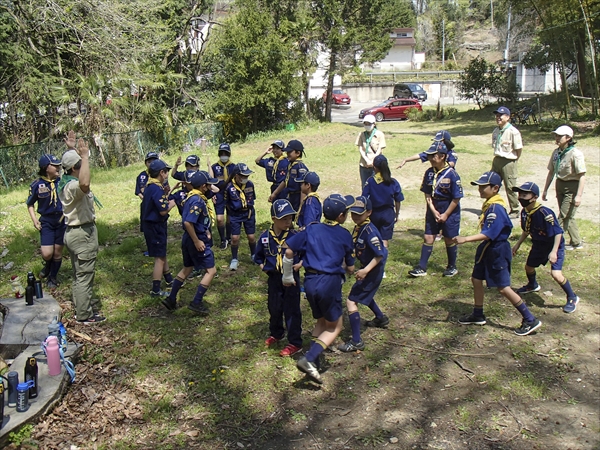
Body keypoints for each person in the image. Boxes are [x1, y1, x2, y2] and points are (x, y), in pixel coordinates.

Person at [453, 171, 542, 336]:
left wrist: (465, 239)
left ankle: (530, 318)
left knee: (503, 288)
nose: (480, 189)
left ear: (495, 188)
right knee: (476, 278)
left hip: (497, 250)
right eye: (479, 186)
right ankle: (478, 314)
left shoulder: (496, 208)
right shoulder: (489, 204)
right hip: (487, 248)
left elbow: (490, 233)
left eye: (483, 186)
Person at [283, 194, 355, 384]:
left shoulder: (311, 229)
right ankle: (309, 359)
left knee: (322, 321)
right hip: (329, 282)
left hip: (310, 282)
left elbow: (288, 249)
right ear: (341, 216)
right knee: (336, 326)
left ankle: (315, 358)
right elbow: (351, 266)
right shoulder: (344, 234)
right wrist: (350, 269)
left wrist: (288, 274)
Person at [57, 131, 105, 324]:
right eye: (81, 165)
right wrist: (84, 157)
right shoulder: (73, 186)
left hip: (73, 233)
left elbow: (67, 166)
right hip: (82, 233)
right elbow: (85, 183)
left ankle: (80, 309)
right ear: (75, 168)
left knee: (79, 274)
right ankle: (85, 315)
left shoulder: (65, 179)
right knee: (85, 275)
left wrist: (71, 149)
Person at [511, 182, 580, 313]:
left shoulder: (544, 213)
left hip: (553, 244)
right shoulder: (525, 212)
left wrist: (554, 252)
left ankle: (572, 297)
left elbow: (558, 232)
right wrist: (517, 245)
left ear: (534, 197)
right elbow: (526, 230)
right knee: (529, 267)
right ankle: (532, 285)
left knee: (556, 274)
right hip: (539, 245)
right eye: (520, 194)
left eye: (525, 195)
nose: (521, 197)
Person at [161, 171, 218, 315]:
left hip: (188, 238)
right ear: (203, 186)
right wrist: (197, 240)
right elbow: (188, 222)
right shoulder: (197, 201)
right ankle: (196, 302)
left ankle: (171, 298)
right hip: (195, 240)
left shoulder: (191, 196)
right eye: (209, 184)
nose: (210, 187)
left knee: (187, 268)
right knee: (211, 271)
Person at [338, 196, 389, 353]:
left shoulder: (370, 232)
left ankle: (356, 341)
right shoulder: (359, 228)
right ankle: (381, 318)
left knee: (351, 301)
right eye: (353, 213)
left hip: (372, 272)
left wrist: (365, 270)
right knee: (364, 295)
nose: (355, 217)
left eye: (359, 214)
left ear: (369, 213)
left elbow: (380, 255)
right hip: (367, 270)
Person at [253, 199, 303, 357]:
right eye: (284, 219)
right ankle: (277, 333)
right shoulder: (265, 237)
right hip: (274, 278)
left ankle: (295, 342)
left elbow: (306, 253)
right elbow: (258, 256)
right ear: (274, 219)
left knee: (292, 309)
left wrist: (300, 264)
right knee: (274, 307)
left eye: (290, 218)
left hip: (291, 278)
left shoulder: (295, 236)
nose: (288, 222)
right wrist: (263, 267)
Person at [409, 142, 462, 278]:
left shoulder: (452, 175)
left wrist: (445, 214)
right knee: (428, 236)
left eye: (434, 156)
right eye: (430, 156)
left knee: (449, 238)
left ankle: (452, 266)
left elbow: (456, 198)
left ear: (443, 156)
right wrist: (433, 210)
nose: (431, 158)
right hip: (433, 207)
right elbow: (427, 193)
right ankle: (421, 267)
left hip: (449, 208)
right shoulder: (429, 173)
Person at [542, 125, 586, 250]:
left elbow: (582, 175)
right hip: (559, 184)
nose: (557, 138)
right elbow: (551, 172)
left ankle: (554, 241)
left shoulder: (575, 154)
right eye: (556, 135)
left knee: (563, 215)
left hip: (572, 186)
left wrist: (578, 196)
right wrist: (545, 190)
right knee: (568, 215)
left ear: (568, 138)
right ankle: (576, 242)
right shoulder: (556, 153)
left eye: (559, 136)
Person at [27, 154, 65, 289]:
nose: (58, 167)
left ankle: (53, 277)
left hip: (61, 220)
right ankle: (48, 265)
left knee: (57, 252)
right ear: (45, 168)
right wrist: (34, 220)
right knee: (47, 253)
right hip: (47, 221)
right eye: (54, 165)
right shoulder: (37, 185)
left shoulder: (62, 181)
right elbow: (30, 204)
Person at [141, 159, 177, 297]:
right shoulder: (155, 188)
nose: (167, 174)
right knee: (159, 258)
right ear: (162, 173)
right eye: (166, 171)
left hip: (153, 225)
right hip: (155, 226)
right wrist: (173, 202)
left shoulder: (152, 186)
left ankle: (169, 279)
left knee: (161, 253)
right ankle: (155, 289)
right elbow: (163, 210)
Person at [362, 154, 403, 249]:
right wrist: (396, 214)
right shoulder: (393, 182)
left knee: (374, 237)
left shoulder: (370, 181)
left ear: (374, 168)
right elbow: (398, 200)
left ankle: (374, 257)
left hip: (374, 213)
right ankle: (383, 258)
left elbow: (364, 198)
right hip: (388, 213)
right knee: (384, 239)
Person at [491, 106, 522, 217]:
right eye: (497, 115)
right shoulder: (496, 131)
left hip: (508, 161)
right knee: (492, 183)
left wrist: (513, 160)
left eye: (501, 115)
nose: (498, 117)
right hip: (497, 160)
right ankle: (492, 206)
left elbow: (518, 149)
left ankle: (515, 210)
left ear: (508, 117)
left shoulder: (513, 132)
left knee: (510, 186)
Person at [224, 163, 256, 271]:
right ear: (236, 175)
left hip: (248, 213)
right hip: (235, 214)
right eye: (243, 176)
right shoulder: (229, 187)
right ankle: (234, 259)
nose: (245, 178)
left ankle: (254, 255)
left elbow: (253, 198)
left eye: (247, 176)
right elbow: (226, 202)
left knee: (251, 237)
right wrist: (232, 212)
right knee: (235, 238)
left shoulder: (250, 185)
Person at [270, 140, 308, 211]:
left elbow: (303, 187)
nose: (287, 154)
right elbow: (285, 181)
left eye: (290, 152)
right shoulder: (290, 165)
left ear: (298, 153)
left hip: (297, 197)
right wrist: (274, 193)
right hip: (289, 196)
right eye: (287, 152)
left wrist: (301, 205)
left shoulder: (300, 168)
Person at [212, 143, 235, 249]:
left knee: (229, 218)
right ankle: (223, 239)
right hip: (219, 194)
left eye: (226, 153)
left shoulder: (233, 167)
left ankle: (229, 237)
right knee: (220, 219)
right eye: (222, 153)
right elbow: (210, 182)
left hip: (231, 194)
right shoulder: (214, 167)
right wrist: (212, 194)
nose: (224, 155)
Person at [356, 114, 386, 187]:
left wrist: (373, 161)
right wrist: (367, 160)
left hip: (376, 166)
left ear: (374, 124)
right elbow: (360, 148)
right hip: (364, 164)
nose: (367, 125)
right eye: (365, 124)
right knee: (365, 185)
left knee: (378, 184)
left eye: (369, 124)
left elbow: (380, 149)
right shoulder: (361, 134)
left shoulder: (380, 134)